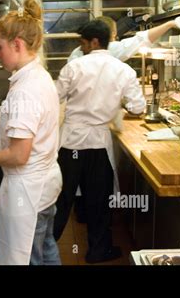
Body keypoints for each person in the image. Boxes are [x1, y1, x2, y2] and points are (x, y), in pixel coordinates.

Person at [0, 0, 62, 265]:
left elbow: (19, 155)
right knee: (46, 247)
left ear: (17, 44)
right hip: (44, 187)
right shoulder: (38, 76)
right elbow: (33, 129)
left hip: (28, 193)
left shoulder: (25, 90)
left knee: (31, 258)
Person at [67, 16, 177, 224]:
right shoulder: (105, 54)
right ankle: (97, 239)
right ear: (108, 39)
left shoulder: (77, 56)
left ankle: (78, 221)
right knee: (98, 187)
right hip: (92, 134)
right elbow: (140, 40)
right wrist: (171, 24)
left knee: (77, 187)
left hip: (73, 134)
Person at [54, 20, 146, 263]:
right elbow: (139, 107)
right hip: (97, 143)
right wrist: (115, 101)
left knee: (60, 200)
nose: (81, 47)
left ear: (94, 41)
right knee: (99, 201)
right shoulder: (124, 70)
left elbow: (54, 97)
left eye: (83, 42)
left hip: (70, 143)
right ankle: (98, 250)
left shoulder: (73, 68)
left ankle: (42, 250)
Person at [68, 16, 177, 62]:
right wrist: (169, 24)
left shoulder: (76, 53)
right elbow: (142, 39)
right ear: (113, 33)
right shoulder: (112, 49)